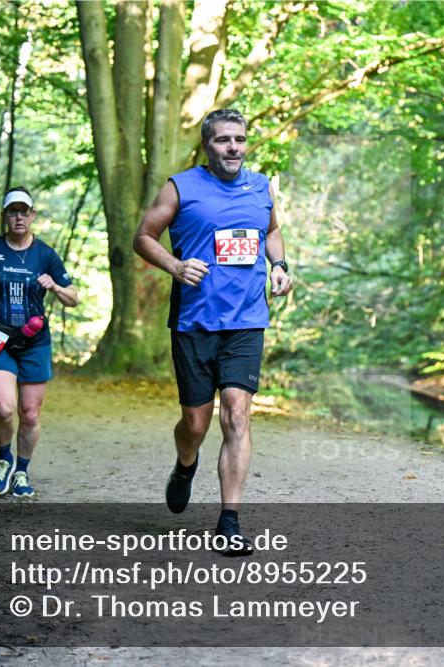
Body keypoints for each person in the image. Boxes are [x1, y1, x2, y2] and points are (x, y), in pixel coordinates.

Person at [133, 108, 292, 556]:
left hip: (246, 321)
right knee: (195, 423)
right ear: (208, 145)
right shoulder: (181, 186)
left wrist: (279, 266)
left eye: (239, 140)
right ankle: (185, 465)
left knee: (237, 416)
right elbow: (143, 236)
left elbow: (272, 231)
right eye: (224, 140)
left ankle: (229, 521)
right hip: (194, 323)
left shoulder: (261, 187)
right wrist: (176, 266)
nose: (233, 148)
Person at [0, 187, 79, 498]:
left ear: (32, 215)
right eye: (12, 212)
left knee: (30, 414)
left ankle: (22, 471)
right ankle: (4, 460)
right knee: (4, 407)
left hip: (34, 341)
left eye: (23, 211)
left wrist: (54, 286)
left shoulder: (45, 254)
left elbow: (73, 299)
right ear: (5, 216)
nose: (18, 217)